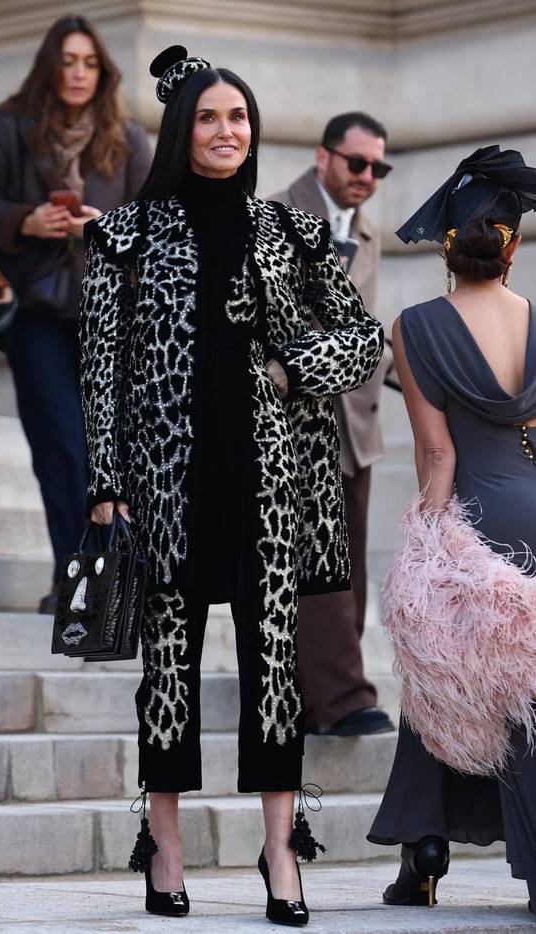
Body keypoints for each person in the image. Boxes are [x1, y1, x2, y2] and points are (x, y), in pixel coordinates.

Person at [81, 46, 383, 925]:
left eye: (239, 118)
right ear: (184, 129)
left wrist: (295, 367)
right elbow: (100, 371)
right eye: (209, 117)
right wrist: (106, 483)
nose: (226, 131)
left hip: (270, 493)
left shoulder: (289, 231)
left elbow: (364, 338)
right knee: (166, 676)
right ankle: (165, 848)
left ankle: (281, 854)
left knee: (276, 673)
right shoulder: (125, 237)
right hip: (165, 492)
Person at [368, 146, 536, 916]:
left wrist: (424, 554)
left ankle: (424, 853)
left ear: (448, 244)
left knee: (446, 679)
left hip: (468, 519)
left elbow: (437, 456)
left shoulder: (415, 326)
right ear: (513, 243)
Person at [0, 15, 152, 613]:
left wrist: (107, 228)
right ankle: (75, 583)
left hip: (110, 316)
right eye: (68, 61)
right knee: (60, 449)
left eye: (89, 62)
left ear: (103, 70)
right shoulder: (9, 125)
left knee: (114, 454)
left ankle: (117, 581)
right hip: (39, 315)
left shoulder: (127, 133)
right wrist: (26, 219)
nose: (78, 73)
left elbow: (160, 218)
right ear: (51, 65)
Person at [272, 113, 394, 736]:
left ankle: (316, 698)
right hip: (297, 421)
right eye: (357, 163)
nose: (367, 177)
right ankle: (343, 698)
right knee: (314, 562)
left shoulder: (368, 231)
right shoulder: (275, 217)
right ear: (323, 159)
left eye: (379, 168)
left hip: (359, 424)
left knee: (349, 565)